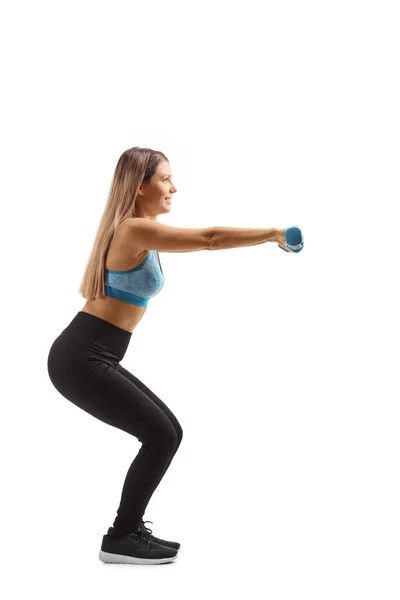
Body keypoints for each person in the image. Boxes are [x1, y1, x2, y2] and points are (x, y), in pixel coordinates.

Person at [47, 146, 289, 565]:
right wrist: (272, 234)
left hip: (94, 354)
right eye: (164, 179)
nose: (174, 187)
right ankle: (121, 537)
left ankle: (128, 531)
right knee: (159, 436)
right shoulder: (132, 230)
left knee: (168, 433)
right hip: (81, 357)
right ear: (140, 186)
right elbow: (209, 239)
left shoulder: (141, 229)